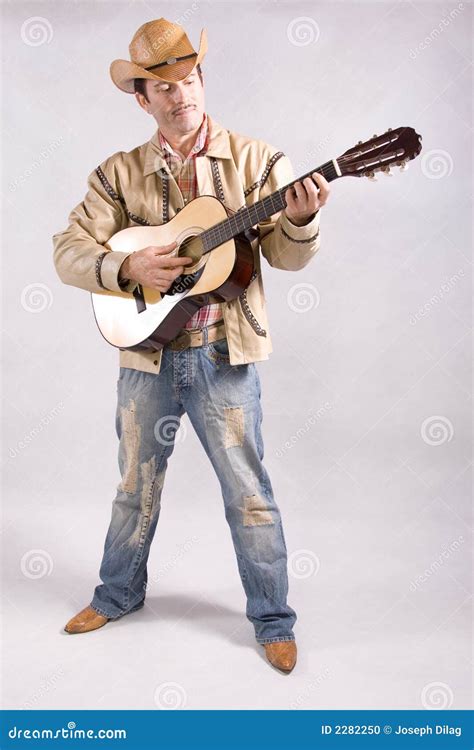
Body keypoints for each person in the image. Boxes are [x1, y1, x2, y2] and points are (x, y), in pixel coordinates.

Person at [52, 18, 330, 673]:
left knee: (249, 493)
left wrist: (301, 218)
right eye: (165, 88)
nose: (182, 96)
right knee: (133, 488)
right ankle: (116, 594)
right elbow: (69, 251)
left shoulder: (259, 163)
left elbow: (287, 259)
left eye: (190, 80)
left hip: (225, 359)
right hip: (146, 358)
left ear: (202, 80)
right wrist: (127, 270)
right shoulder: (117, 175)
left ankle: (272, 619)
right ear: (142, 100)